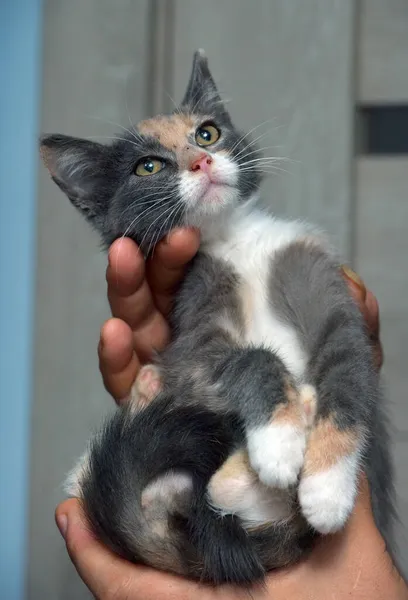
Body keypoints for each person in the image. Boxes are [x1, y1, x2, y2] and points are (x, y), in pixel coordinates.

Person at [55, 230, 408, 599]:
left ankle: (230, 486)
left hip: (278, 495)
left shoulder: (288, 255)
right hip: (251, 486)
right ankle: (221, 485)